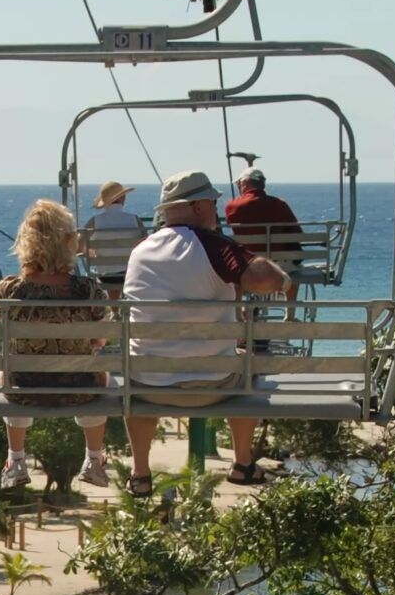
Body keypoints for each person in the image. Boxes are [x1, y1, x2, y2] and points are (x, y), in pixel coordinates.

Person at [122, 169, 293, 493]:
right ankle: (243, 462)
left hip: (149, 384)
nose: (216, 212)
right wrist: (283, 279)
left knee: (136, 375)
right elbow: (261, 279)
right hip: (212, 385)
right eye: (213, 204)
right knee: (248, 364)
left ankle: (141, 472)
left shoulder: (139, 251)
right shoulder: (213, 245)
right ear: (198, 205)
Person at [0, 198, 114, 492]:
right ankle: (94, 459)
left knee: (9, 370)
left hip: (24, 390)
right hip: (78, 390)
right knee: (99, 374)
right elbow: (101, 338)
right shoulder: (87, 289)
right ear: (69, 243)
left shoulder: (11, 289)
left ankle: (15, 460)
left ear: (26, 244)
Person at [221, 166, 303, 247]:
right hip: (277, 258)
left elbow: (230, 224)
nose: (239, 188)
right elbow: (298, 233)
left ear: (244, 183)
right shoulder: (280, 204)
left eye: (239, 184)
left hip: (246, 257)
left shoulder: (232, 205)